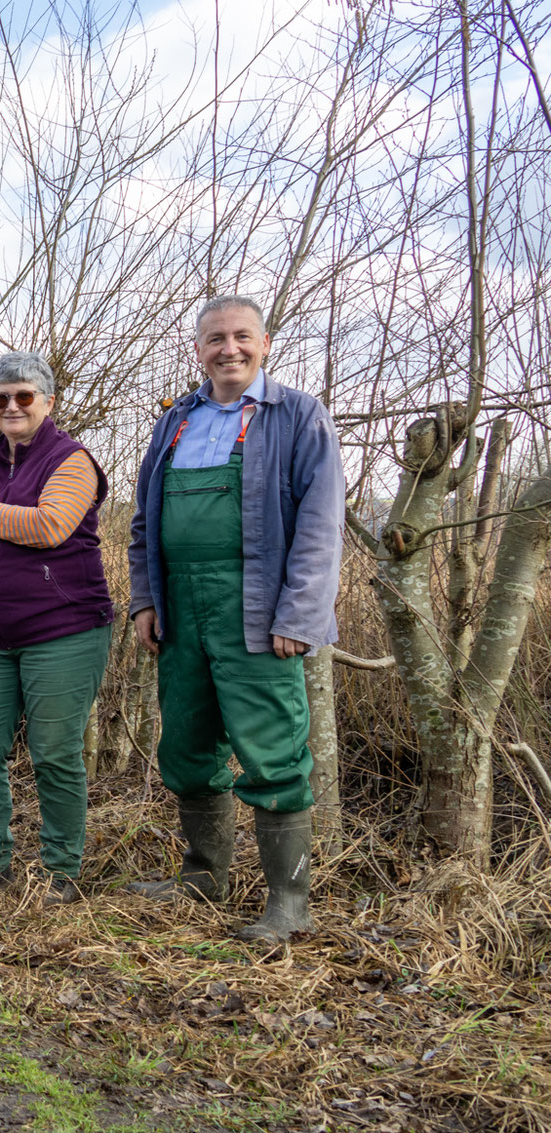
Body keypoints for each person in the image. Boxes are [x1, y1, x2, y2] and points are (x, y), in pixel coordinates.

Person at [125, 296, 345, 943]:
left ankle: (289, 905)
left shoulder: (298, 416)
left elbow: (321, 526)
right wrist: (145, 600)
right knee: (187, 747)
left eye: (242, 336)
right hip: (179, 615)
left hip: (259, 614)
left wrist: (300, 613)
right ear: (198, 349)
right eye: (215, 338)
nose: (230, 348)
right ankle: (202, 876)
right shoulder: (176, 423)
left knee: (274, 753)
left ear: (266, 342)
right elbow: (143, 523)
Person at [0, 353, 112, 903]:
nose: (11, 407)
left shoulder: (72, 460)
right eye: (0, 398)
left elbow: (51, 526)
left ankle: (63, 872)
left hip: (64, 630)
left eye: (24, 397)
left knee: (54, 749)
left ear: (48, 402)